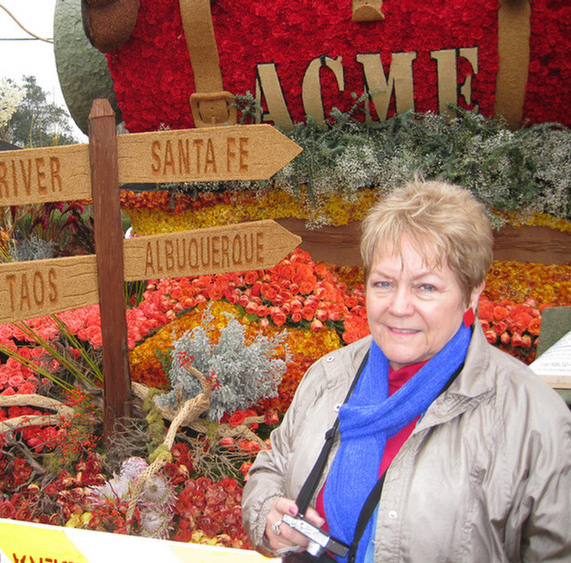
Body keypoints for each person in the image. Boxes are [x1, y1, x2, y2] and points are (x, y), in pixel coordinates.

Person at [242, 179, 571, 562]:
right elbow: (271, 466)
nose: (399, 306)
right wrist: (267, 512)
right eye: (384, 283)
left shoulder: (533, 418)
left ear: (472, 292)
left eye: (426, 287)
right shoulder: (330, 376)